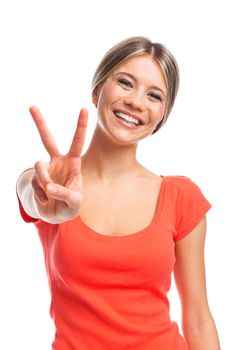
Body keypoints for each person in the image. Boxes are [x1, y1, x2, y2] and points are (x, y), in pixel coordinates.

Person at [16, 36, 221, 349]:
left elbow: (198, 318)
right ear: (97, 90)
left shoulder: (181, 196)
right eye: (125, 83)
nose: (136, 102)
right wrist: (41, 199)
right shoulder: (56, 186)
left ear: (161, 117)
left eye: (154, 96)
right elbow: (29, 194)